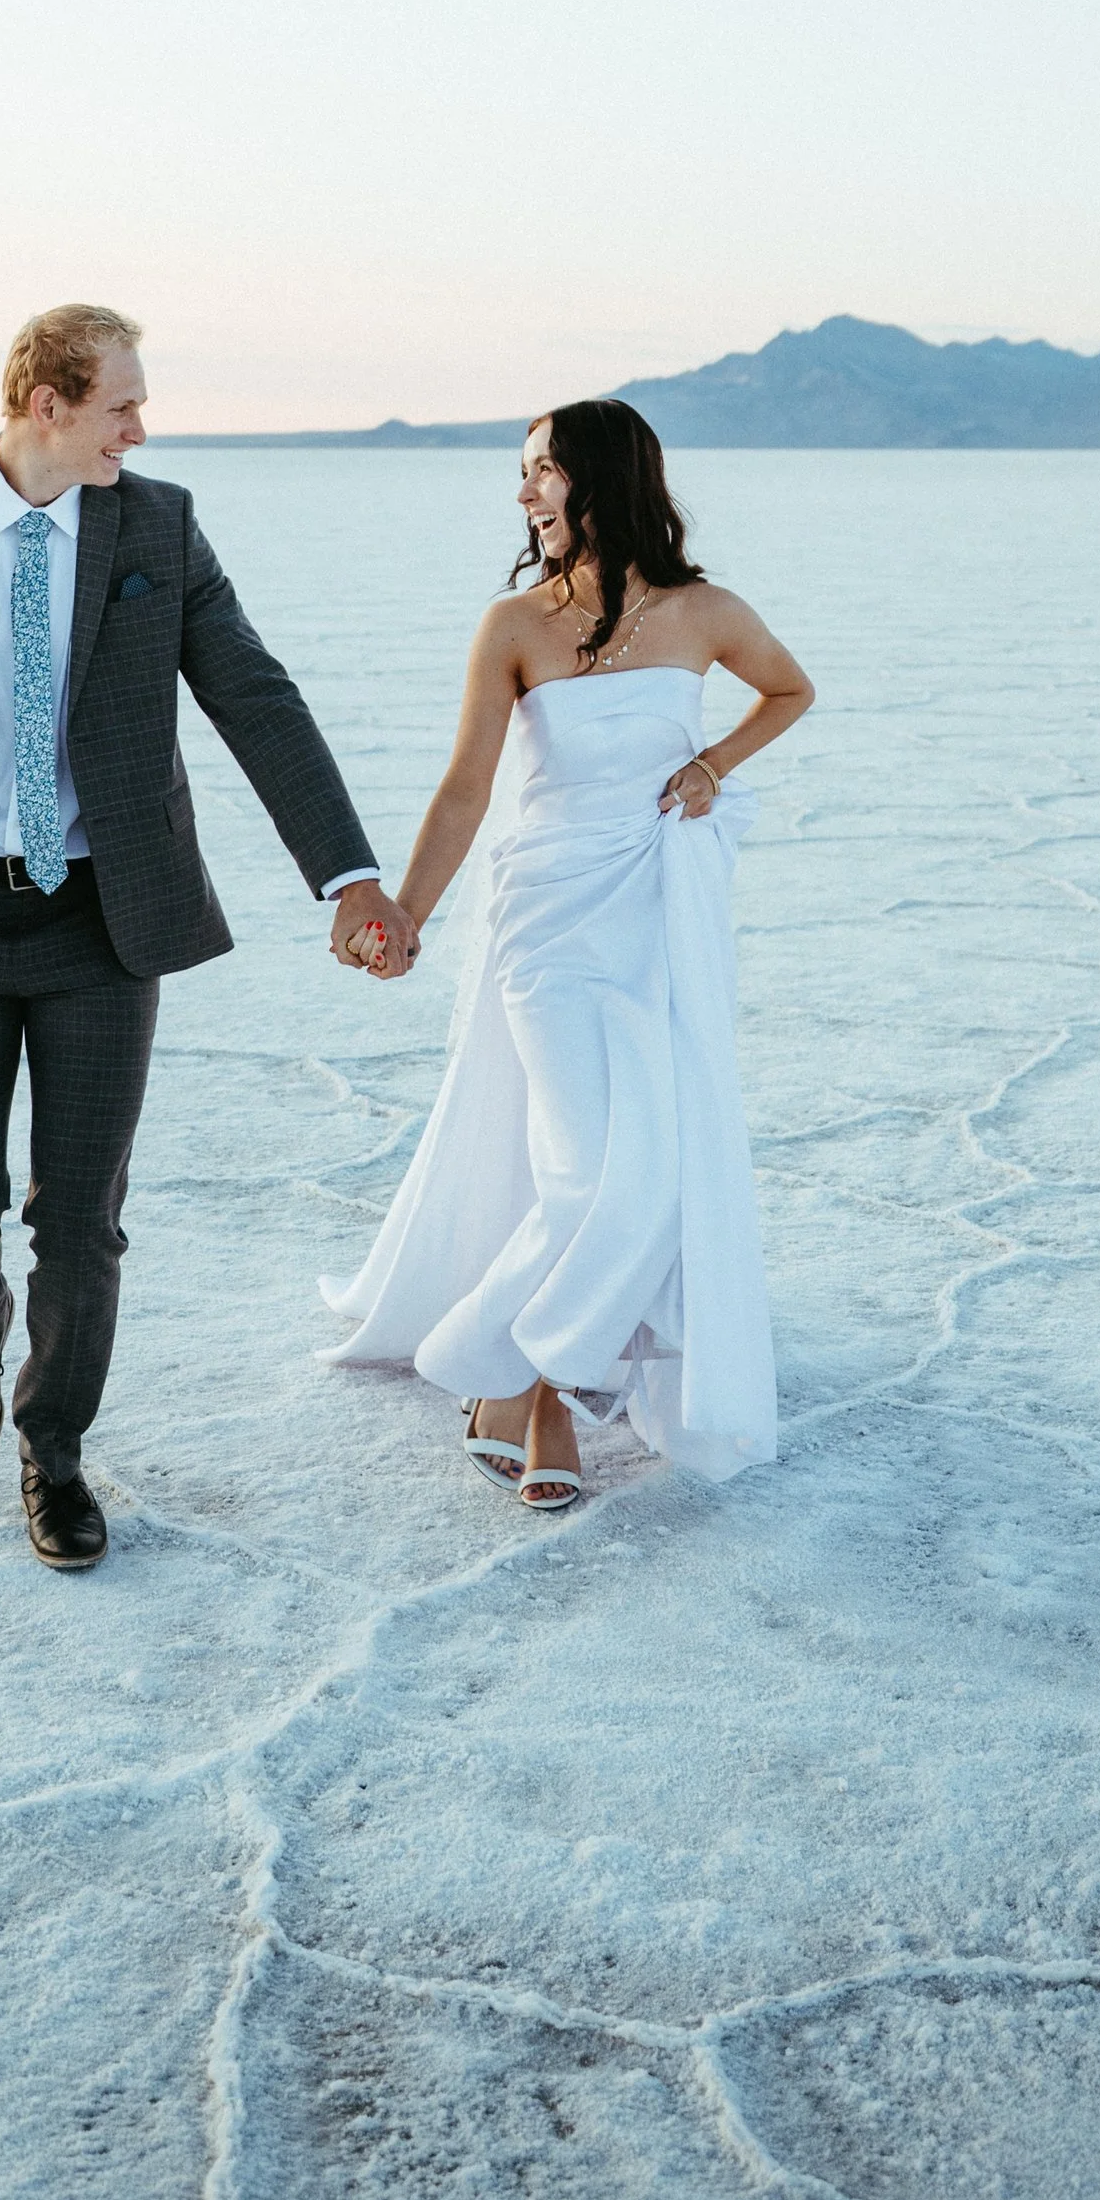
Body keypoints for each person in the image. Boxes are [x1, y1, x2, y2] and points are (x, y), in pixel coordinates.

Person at [0, 304, 415, 1570]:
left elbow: (253, 693)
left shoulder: (156, 522)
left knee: (81, 1219)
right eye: (120, 407)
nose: (139, 430)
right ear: (47, 403)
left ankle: (54, 1453)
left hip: (102, 920)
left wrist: (347, 880)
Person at [321, 399, 812, 1509]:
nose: (524, 491)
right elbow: (465, 790)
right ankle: (523, 1378)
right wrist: (403, 911)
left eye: (542, 469)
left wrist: (712, 766)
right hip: (545, 920)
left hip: (657, 913)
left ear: (602, 478)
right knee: (594, 1171)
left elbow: (791, 690)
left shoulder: (704, 612)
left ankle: (519, 1375)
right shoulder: (513, 626)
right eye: (524, 471)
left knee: (651, 1166)